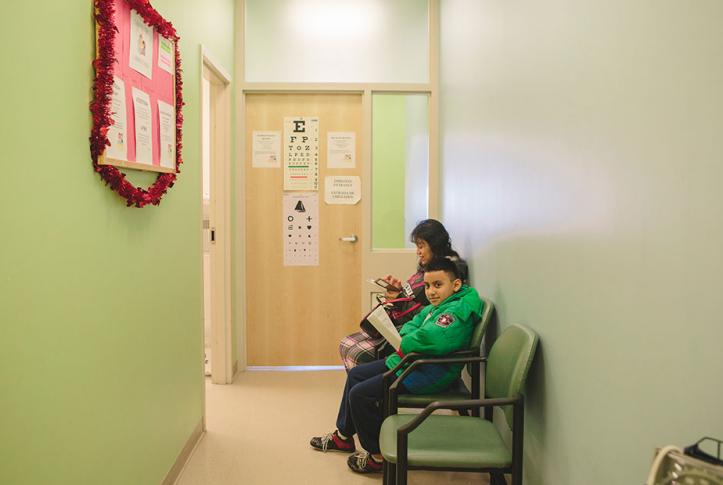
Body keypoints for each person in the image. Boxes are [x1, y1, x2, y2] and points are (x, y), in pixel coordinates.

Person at [311, 258, 483, 473]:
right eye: (428, 286)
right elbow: (415, 323)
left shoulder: (457, 312)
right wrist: (406, 337)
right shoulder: (445, 303)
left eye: (438, 285)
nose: (431, 292)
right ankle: (344, 437)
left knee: (360, 395)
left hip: (427, 372)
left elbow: (433, 338)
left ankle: (377, 456)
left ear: (455, 285)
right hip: (411, 362)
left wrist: (407, 340)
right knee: (356, 374)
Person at [339, 219, 468, 370]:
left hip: (413, 334)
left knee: (356, 353)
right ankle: (366, 386)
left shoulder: (447, 272)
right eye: (417, 246)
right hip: (404, 325)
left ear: (435, 244)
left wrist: (401, 301)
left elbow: (433, 313)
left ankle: (371, 388)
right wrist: (397, 291)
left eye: (421, 246)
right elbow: (413, 296)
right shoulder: (427, 267)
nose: (418, 252)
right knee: (345, 344)